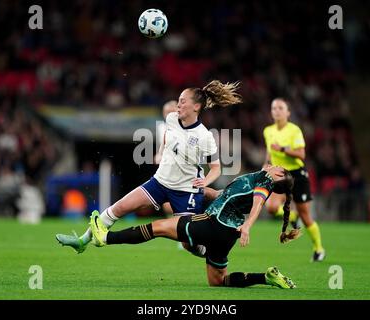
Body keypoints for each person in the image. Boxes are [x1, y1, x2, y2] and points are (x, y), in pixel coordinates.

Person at [56, 80, 243, 254]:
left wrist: (205, 181)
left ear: (196, 106)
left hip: (185, 191)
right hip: (159, 182)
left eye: (182, 101)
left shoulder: (204, 136)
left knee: (188, 243)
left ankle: (210, 252)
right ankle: (82, 241)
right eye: (178, 100)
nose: (178, 105)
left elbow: (216, 167)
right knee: (119, 207)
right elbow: (167, 137)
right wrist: (162, 152)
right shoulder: (171, 119)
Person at [89, 165, 299, 288]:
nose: (273, 165)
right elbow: (221, 195)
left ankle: (105, 238)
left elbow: (259, 201)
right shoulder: (256, 179)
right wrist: (201, 188)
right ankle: (266, 277)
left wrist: (248, 226)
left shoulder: (266, 182)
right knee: (218, 281)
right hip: (227, 235)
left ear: (278, 176)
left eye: (279, 168)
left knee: (158, 227)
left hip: (213, 223)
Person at [263, 98, 325, 262]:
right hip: (280, 174)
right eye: (274, 107)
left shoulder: (294, 130)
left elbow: (301, 154)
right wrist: (265, 166)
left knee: (306, 215)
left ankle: (318, 248)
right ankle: (292, 217)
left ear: (288, 112)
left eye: (280, 108)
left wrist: (283, 149)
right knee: (270, 207)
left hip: (297, 174)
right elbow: (269, 153)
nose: (276, 110)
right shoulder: (268, 131)